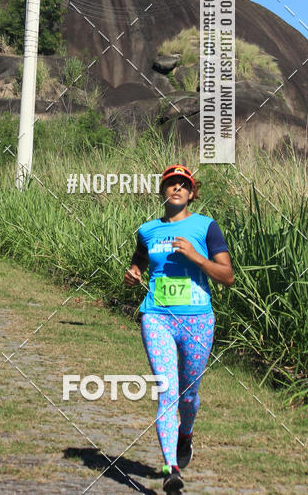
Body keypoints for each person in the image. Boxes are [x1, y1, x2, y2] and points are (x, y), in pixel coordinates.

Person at [125, 165, 234, 494]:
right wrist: (133, 274)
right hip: (156, 316)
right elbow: (139, 262)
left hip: (197, 320)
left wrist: (196, 257)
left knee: (188, 395)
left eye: (183, 185)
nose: (176, 188)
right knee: (167, 391)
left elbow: (227, 276)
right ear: (162, 191)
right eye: (170, 183)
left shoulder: (206, 227)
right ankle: (171, 468)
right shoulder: (147, 230)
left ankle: (185, 434)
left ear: (191, 193)